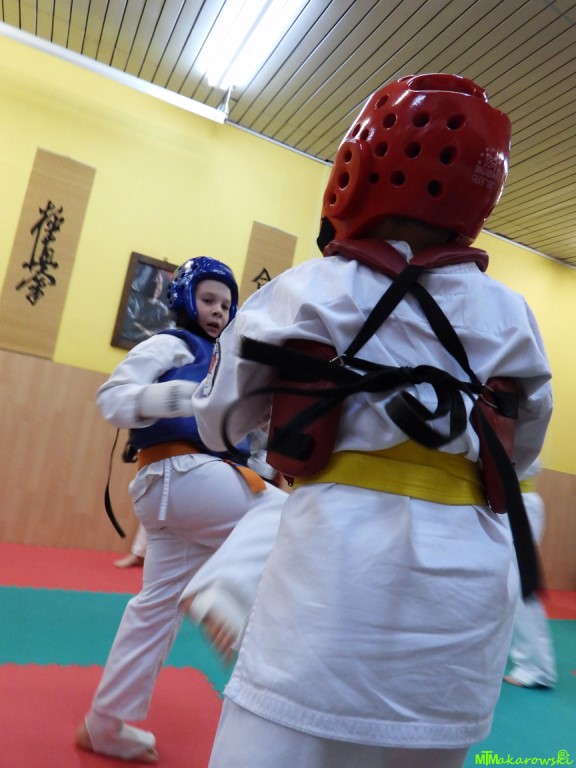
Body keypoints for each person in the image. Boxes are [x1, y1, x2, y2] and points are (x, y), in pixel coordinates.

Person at [188, 74, 553, 768]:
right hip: (459, 624)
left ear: (360, 167)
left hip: (327, 599)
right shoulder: (514, 319)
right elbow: (523, 458)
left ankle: (226, 584)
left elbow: (216, 424)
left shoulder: (309, 290)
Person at [75, 256, 287, 763]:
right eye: (209, 299)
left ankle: (104, 724)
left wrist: (264, 441)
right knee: (295, 516)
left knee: (155, 609)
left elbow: (245, 440)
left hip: (182, 491)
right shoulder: (172, 345)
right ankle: (225, 592)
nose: (218, 312)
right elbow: (112, 399)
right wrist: (181, 398)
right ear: (185, 298)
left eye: (226, 305)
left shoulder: (228, 364)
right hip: (183, 475)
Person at [504, 462, 557, 688]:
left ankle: (536, 668)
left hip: (516, 505)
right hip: (504, 502)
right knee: (495, 585)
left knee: (519, 587)